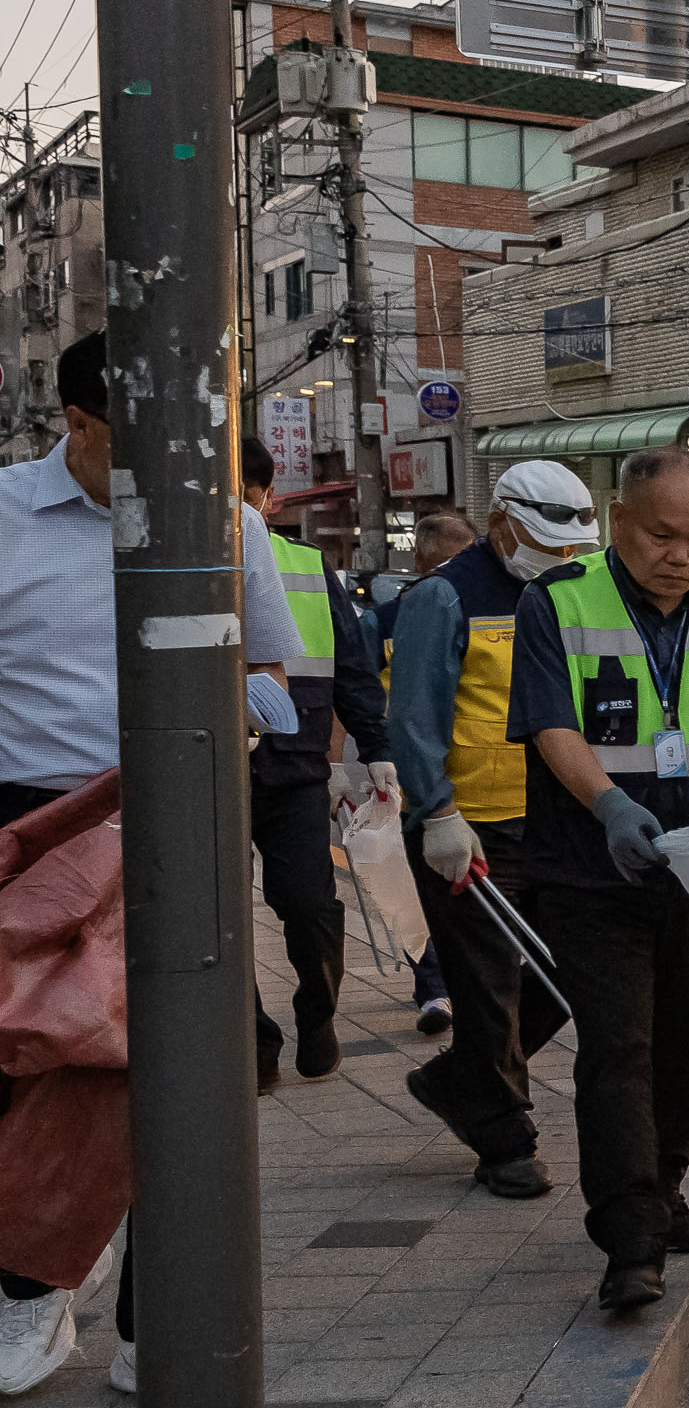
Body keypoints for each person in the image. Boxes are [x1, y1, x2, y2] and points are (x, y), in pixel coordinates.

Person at [0, 330, 301, 1400]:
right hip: (33, 826)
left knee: (173, 1067)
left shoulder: (227, 523)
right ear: (79, 426)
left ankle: (154, 1308)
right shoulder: (5, 516)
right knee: (37, 1055)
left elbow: (272, 670)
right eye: (144, 437)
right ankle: (29, 1287)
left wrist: (227, 711)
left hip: (180, 823)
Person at [509, 445, 689, 1313]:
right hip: (594, 868)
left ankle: (664, 1190)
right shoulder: (556, 601)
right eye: (662, 535)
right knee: (616, 1046)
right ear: (618, 523)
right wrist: (607, 806)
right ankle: (629, 1237)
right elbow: (553, 724)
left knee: (681, 1042)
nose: (683, 554)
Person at [388, 467, 594, 1199]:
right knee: (489, 987)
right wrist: (437, 812)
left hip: (554, 824)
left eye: (570, 547)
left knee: (572, 974)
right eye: (544, 542)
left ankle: (459, 1082)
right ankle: (507, 1138)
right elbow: (412, 714)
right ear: (501, 521)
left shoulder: (574, 592)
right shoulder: (445, 595)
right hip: (467, 829)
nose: (559, 558)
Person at [240, 435, 396, 1092]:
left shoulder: (305, 566)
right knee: (213, 919)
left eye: (245, 499)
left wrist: (378, 751)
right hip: (205, 773)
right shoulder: (168, 564)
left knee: (308, 904)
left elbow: (354, 667)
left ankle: (318, 1012)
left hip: (294, 771)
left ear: (267, 498)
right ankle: (253, 1040)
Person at [378, 510, 477, 1035]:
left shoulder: (493, 607)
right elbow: (362, 693)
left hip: (477, 781)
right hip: (407, 773)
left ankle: (455, 986)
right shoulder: (390, 617)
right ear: (419, 561)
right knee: (422, 885)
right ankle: (434, 988)